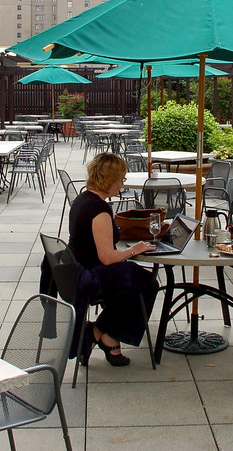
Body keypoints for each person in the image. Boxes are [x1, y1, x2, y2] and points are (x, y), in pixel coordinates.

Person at [68, 152, 159, 367]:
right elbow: (108, 258)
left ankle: (103, 336)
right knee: (147, 284)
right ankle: (104, 334)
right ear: (109, 179)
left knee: (134, 278)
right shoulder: (99, 210)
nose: (122, 184)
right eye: (121, 179)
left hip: (75, 269)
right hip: (91, 276)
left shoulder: (83, 199)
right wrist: (134, 249)